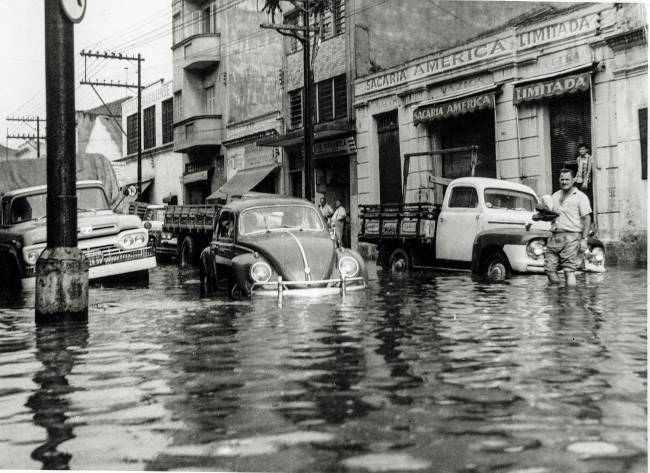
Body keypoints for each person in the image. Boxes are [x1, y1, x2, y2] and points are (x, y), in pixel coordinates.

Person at [545, 168, 592, 286]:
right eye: (562, 179)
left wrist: (584, 239)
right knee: (549, 270)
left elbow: (587, 218)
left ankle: (570, 300)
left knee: (569, 271)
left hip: (572, 237)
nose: (564, 182)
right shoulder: (555, 196)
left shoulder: (581, 196)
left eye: (567, 179)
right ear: (559, 180)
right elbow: (551, 215)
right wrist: (542, 215)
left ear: (573, 180)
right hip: (555, 236)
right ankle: (559, 296)